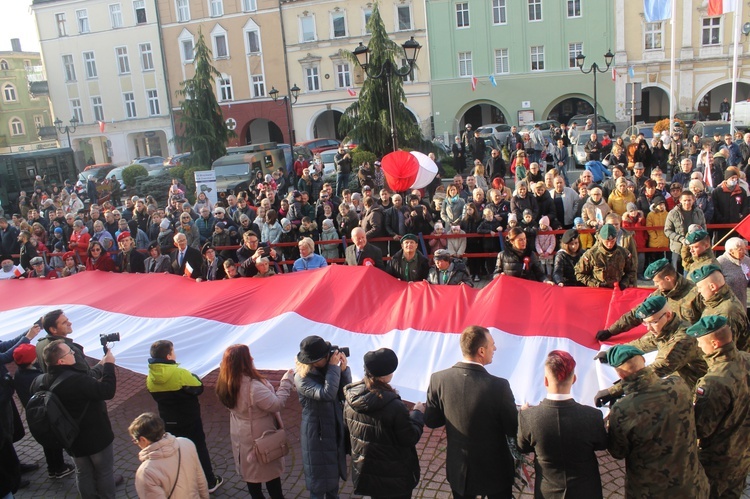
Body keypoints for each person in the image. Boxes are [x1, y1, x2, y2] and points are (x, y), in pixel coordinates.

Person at [423, 325, 518, 499]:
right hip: (496, 471)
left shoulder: (439, 379)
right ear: (481, 351)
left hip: (460, 470)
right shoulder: (499, 386)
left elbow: (432, 421)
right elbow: (513, 428)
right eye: (492, 345)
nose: (494, 348)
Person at [605, 345, 710, 498]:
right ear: (643, 360)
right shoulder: (678, 384)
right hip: (692, 484)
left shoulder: (624, 409)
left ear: (619, 374)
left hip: (651, 491)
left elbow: (617, 451)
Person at [35, 339, 118, 498]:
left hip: (70, 437)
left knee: (83, 472)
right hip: (95, 436)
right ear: (61, 361)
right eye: (70, 352)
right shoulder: (78, 380)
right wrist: (109, 366)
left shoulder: (42, 380)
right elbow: (107, 391)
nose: (74, 353)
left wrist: (101, 364)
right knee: (104, 472)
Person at [517, 350, 607, 499]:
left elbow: (523, 446)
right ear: (574, 379)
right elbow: (602, 443)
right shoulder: (593, 416)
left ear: (545, 381)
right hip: (586, 491)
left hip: (547, 492)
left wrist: (524, 416)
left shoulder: (528, 417)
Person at [594, 296, 707, 407]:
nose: (649, 328)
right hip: (679, 380)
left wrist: (614, 391)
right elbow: (643, 343)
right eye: (645, 323)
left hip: (695, 391)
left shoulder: (682, 340)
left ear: (668, 315)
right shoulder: (664, 329)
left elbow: (657, 369)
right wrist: (614, 353)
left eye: (653, 322)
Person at [343, 348, 425, 499]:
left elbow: (348, 431)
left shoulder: (350, 398)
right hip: (394, 479)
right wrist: (417, 414)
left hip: (368, 473)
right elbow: (409, 437)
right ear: (388, 374)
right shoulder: (394, 406)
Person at [216, 344, 294, 499]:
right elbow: (276, 404)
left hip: (240, 432)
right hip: (260, 434)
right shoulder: (253, 387)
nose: (252, 358)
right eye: (248, 356)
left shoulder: (225, 381)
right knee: (270, 474)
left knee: (251, 477)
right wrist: (286, 382)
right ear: (244, 361)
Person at [146, 340, 223, 493]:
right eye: (173, 351)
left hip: (168, 421)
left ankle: (184, 483)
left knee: (177, 451)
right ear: (168, 356)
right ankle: (210, 481)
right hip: (189, 419)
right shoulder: (180, 373)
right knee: (199, 447)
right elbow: (198, 388)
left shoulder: (150, 378)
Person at [686, 316, 750, 498]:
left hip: (717, 460)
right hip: (743, 452)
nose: (698, 346)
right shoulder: (746, 359)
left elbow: (701, 429)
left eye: (700, 341)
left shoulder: (713, 383)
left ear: (714, 344)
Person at [295, 336, 352, 499]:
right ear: (313, 361)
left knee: (332, 479)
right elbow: (326, 394)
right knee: (319, 483)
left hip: (332, 428)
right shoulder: (302, 378)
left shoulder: (326, 370)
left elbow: (344, 393)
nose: (329, 358)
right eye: (326, 357)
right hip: (317, 435)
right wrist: (334, 369)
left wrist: (343, 371)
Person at [0, 321, 42, 496]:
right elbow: (5, 356)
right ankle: (11, 474)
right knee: (3, 437)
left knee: (8, 433)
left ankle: (15, 465)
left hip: (4, 394)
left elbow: (5, 345)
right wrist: (28, 337)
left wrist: (28, 332)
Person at [129, 412, 209, 499]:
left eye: (135, 440)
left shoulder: (146, 472)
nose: (136, 443)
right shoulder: (186, 443)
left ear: (143, 439)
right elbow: (200, 479)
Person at [691, 264, 750, 351]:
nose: (699, 291)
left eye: (700, 287)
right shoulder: (716, 301)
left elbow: (724, 352)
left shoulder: (726, 313)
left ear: (712, 287)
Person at [575, 224, 636, 288]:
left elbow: (631, 271)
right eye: (606, 242)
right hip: (598, 291)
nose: (609, 245)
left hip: (618, 290)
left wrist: (624, 283)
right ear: (601, 238)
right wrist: (596, 284)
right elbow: (579, 274)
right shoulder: (591, 254)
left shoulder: (624, 253)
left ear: (616, 238)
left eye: (612, 241)